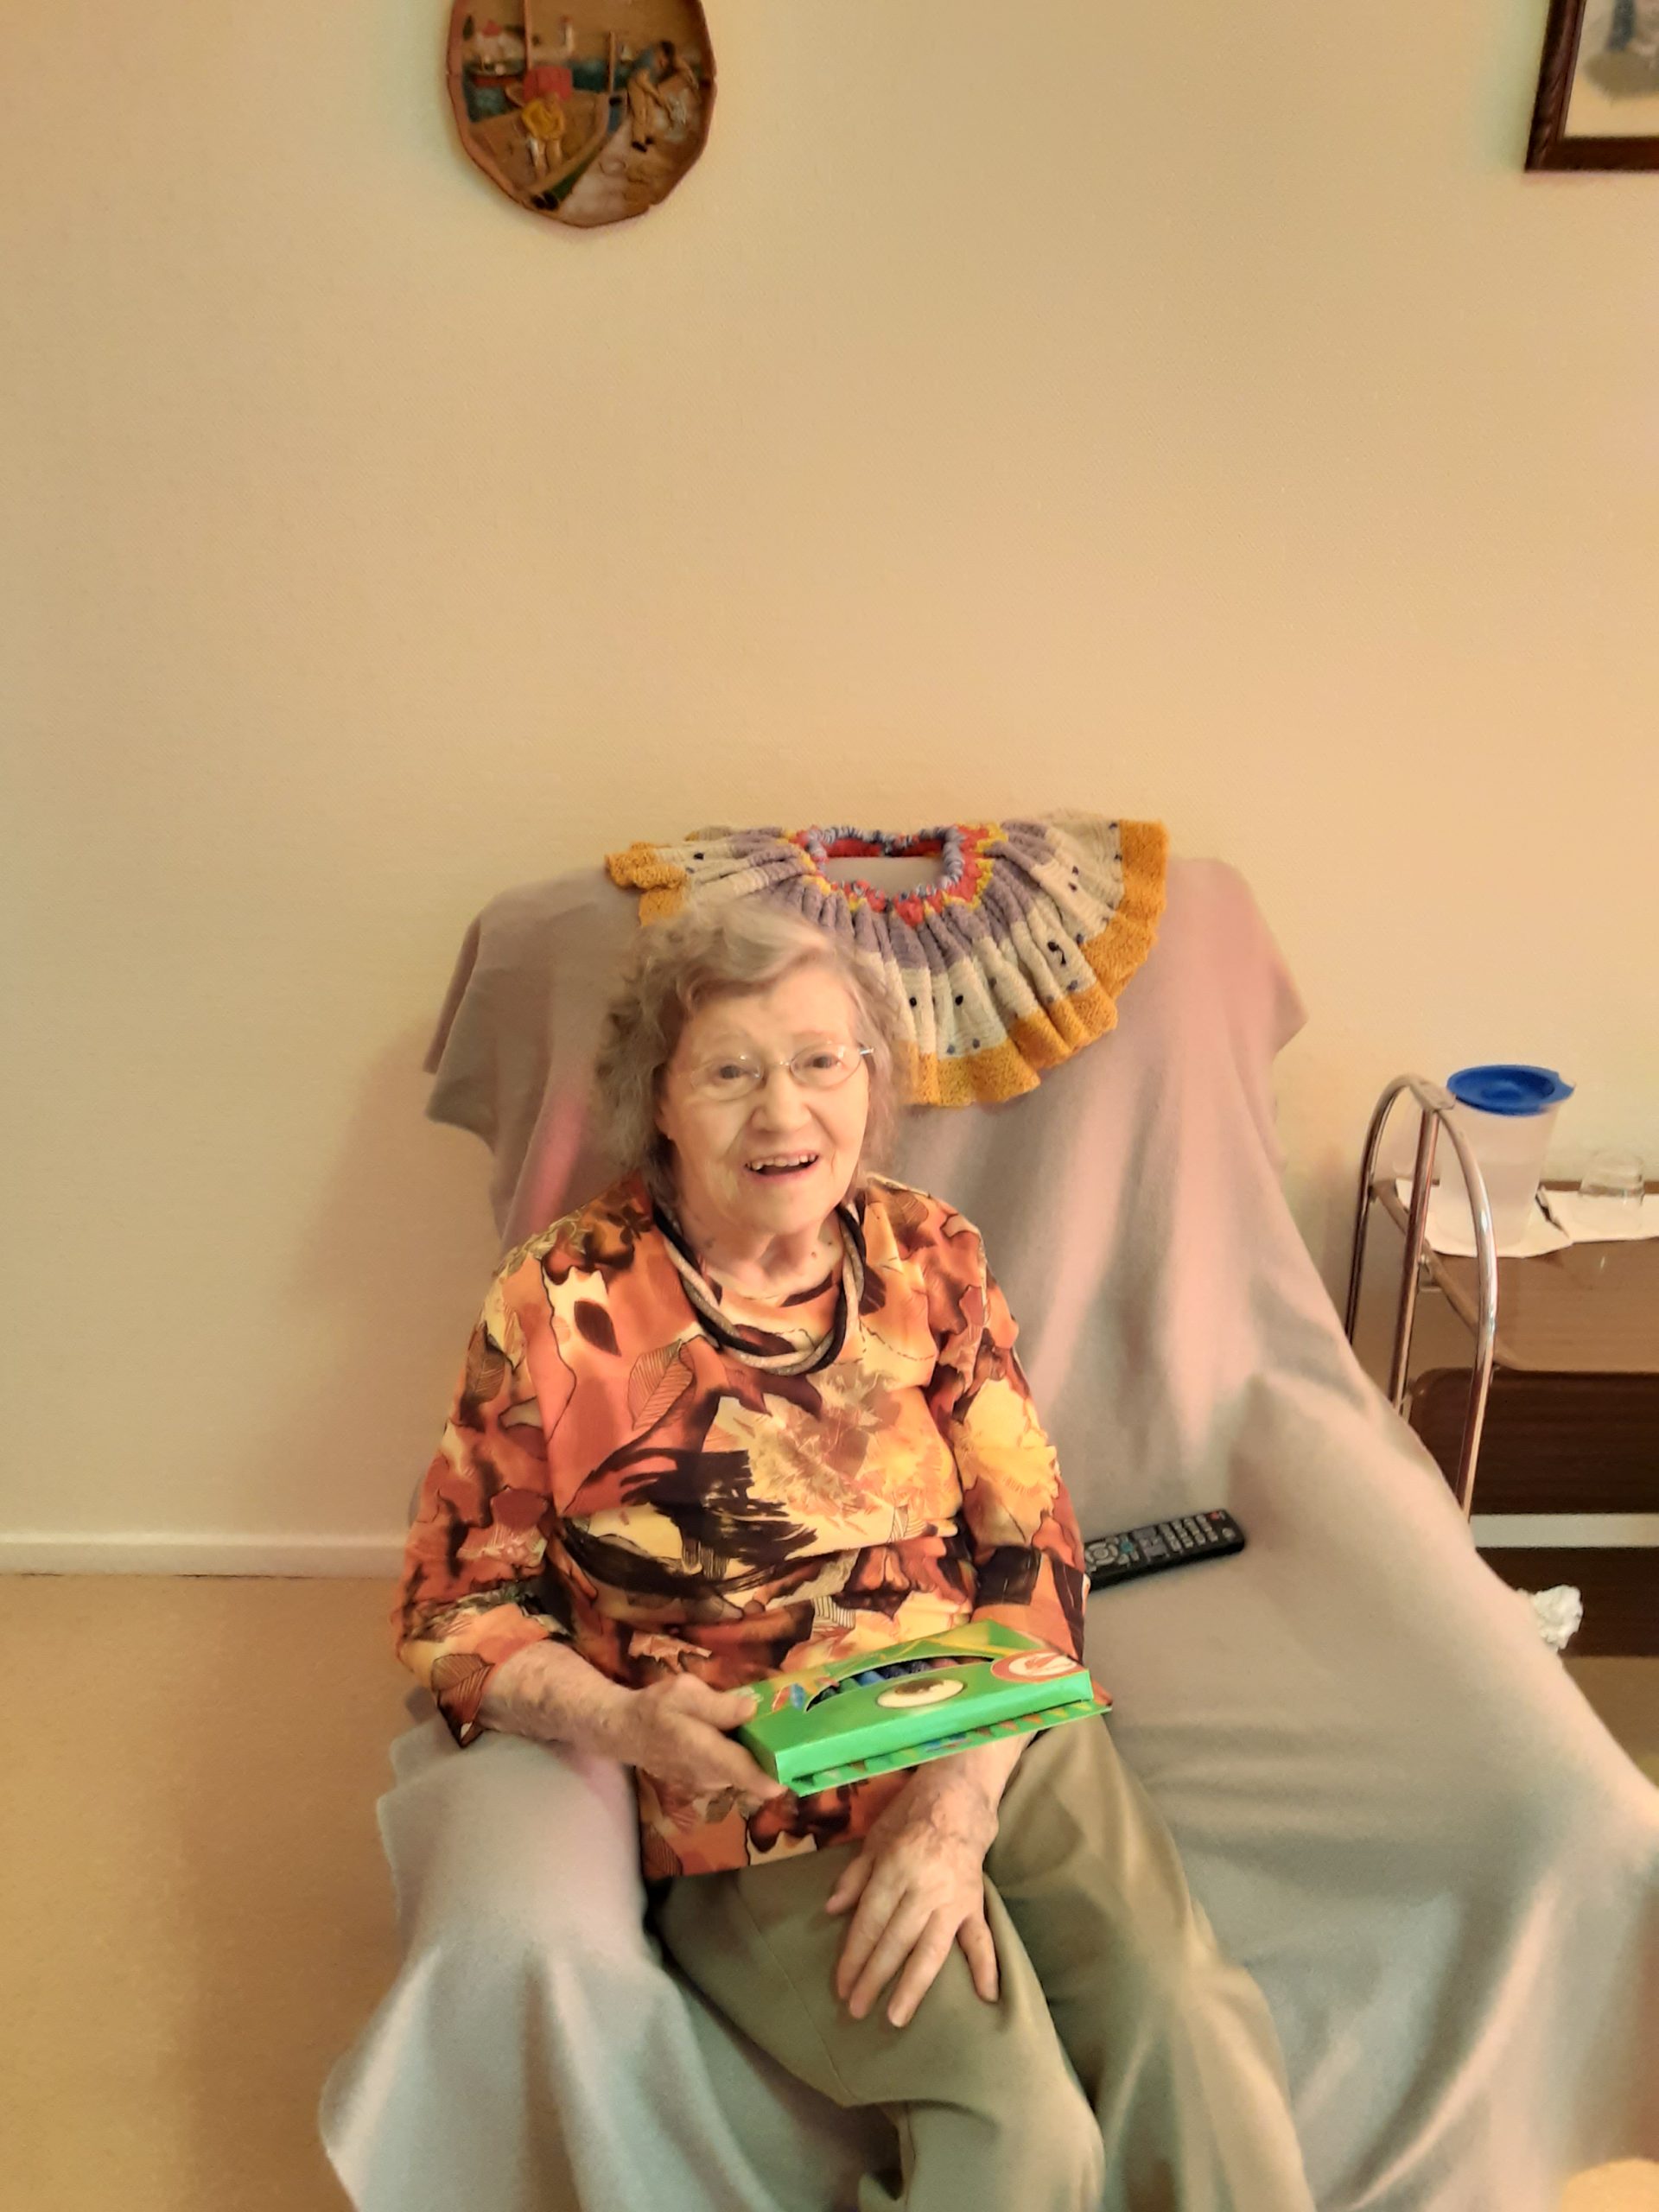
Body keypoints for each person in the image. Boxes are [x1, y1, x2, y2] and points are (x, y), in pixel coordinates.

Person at [392, 900, 1313, 2211]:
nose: (785, 1112)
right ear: (660, 1100)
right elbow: (453, 1604)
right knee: (1020, 2127)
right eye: (731, 1071)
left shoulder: (929, 1253)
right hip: (755, 1778)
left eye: (822, 1061)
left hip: (984, 1713)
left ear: (870, 1080)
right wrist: (630, 1725)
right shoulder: (562, 1301)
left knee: (1189, 2021)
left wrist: (961, 1801)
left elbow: (1031, 1537)